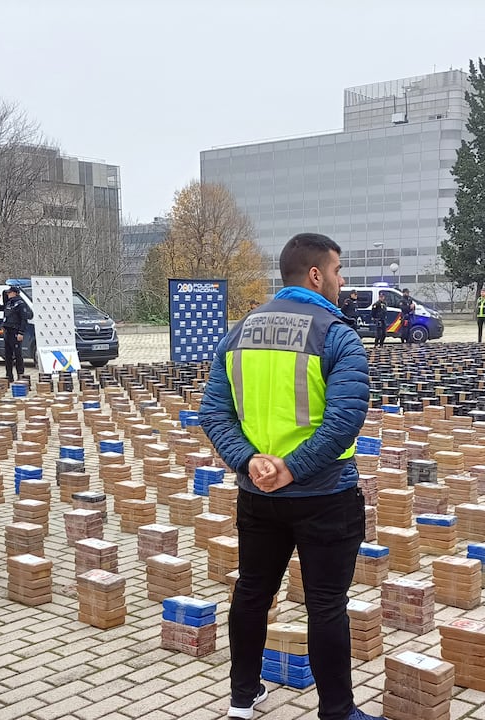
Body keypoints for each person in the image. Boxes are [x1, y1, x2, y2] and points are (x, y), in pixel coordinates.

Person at [200, 233, 379, 720]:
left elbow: (213, 414)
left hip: (258, 494)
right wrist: (293, 468)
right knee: (325, 604)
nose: (342, 283)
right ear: (316, 274)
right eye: (339, 272)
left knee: (253, 592)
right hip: (324, 494)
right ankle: (337, 712)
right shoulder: (336, 333)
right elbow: (345, 418)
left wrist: (249, 461)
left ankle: (242, 699)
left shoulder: (237, 334)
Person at [0, 286, 29, 380]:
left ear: (15, 293)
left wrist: (21, 332)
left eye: (9, 293)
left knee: (17, 354)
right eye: (7, 293)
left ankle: (20, 375)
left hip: (15, 331)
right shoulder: (9, 303)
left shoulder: (20, 304)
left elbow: (24, 319)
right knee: (7, 355)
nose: (8, 294)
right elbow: (0, 308)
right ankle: (9, 375)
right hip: (7, 331)